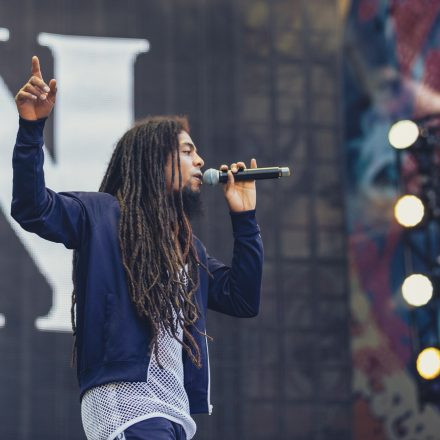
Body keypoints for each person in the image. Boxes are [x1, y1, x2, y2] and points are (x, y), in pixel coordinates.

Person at [11, 56, 263, 440]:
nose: (201, 161)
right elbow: (33, 208)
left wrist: (245, 217)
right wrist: (32, 127)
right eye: (187, 150)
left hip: (174, 412)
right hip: (126, 403)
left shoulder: (186, 248)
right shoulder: (101, 214)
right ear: (154, 159)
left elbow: (243, 299)